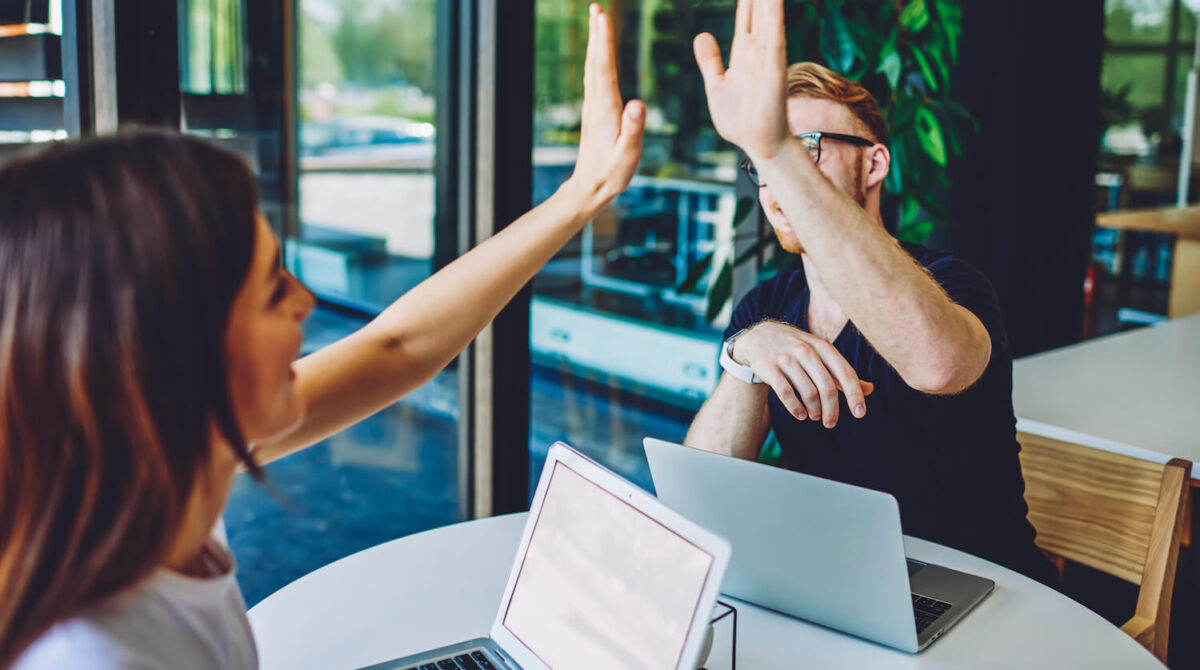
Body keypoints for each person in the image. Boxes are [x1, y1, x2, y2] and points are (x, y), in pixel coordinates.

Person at [0, 5, 642, 668]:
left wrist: (581, 195)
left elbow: (396, 347)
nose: (307, 303)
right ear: (180, 355)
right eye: (276, 290)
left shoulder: (157, 466)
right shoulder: (92, 653)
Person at [684, 0, 1056, 585]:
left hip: (983, 590)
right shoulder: (766, 308)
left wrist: (777, 150)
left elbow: (938, 364)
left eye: (804, 147)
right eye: (760, 159)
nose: (774, 179)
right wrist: (745, 353)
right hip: (842, 585)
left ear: (874, 163)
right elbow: (703, 493)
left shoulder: (954, 286)